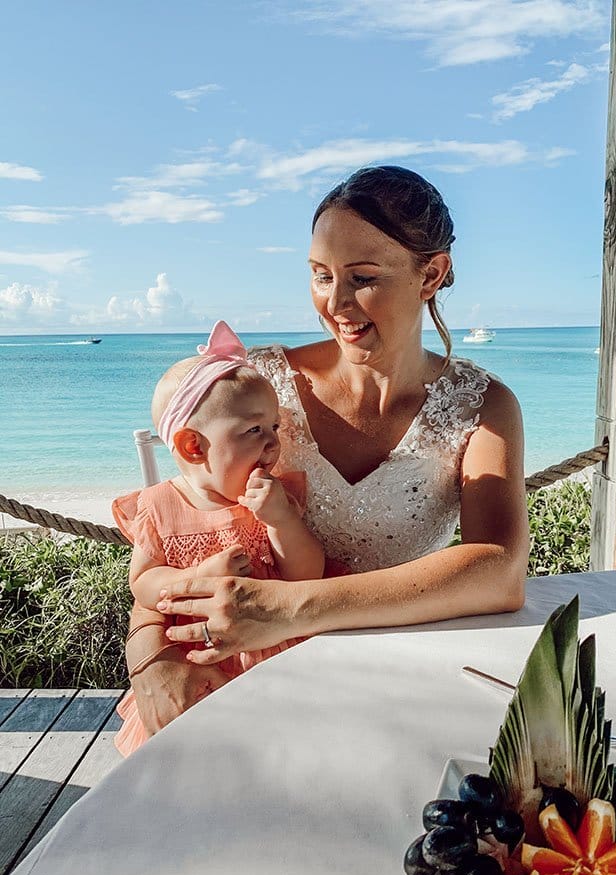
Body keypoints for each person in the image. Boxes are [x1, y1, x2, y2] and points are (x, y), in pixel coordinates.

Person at [125, 165, 530, 736]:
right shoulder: (255, 385)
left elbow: (500, 572)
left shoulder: (483, 404)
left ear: (431, 274)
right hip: (254, 689)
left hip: (397, 686)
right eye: (320, 275)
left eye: (362, 277)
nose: (335, 302)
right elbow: (178, 524)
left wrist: (290, 609)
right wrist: (150, 653)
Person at [112, 320, 324, 754]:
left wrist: (283, 522)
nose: (272, 443)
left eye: (274, 429)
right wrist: (198, 577)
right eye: (253, 430)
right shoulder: (157, 506)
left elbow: (307, 574)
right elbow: (145, 583)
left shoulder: (275, 499)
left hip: (275, 657)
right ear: (193, 446)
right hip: (199, 666)